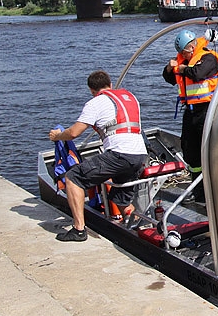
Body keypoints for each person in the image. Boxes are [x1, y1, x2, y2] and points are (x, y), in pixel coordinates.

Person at [48, 70, 148, 242]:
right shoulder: (129, 96)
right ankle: (138, 228)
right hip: (139, 154)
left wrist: (57, 136)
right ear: (110, 84)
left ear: (92, 91)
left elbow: (74, 133)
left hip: (119, 154)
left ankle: (79, 230)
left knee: (73, 178)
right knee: (120, 197)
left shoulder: (96, 102)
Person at [163, 29, 218, 204]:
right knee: (190, 149)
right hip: (190, 112)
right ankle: (199, 192)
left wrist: (182, 68)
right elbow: (170, 78)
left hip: (207, 111)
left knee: (209, 149)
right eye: (181, 54)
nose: (183, 56)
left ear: (192, 47)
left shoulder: (209, 58)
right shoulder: (184, 61)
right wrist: (169, 68)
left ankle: (216, 190)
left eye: (185, 53)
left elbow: (198, 73)